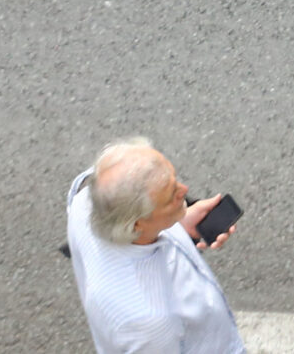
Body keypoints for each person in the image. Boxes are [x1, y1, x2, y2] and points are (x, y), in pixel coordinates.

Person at [65, 138, 242, 354]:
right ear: (136, 223)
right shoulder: (151, 324)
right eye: (171, 197)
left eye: (175, 181)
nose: (184, 190)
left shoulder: (87, 202)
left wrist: (179, 225)